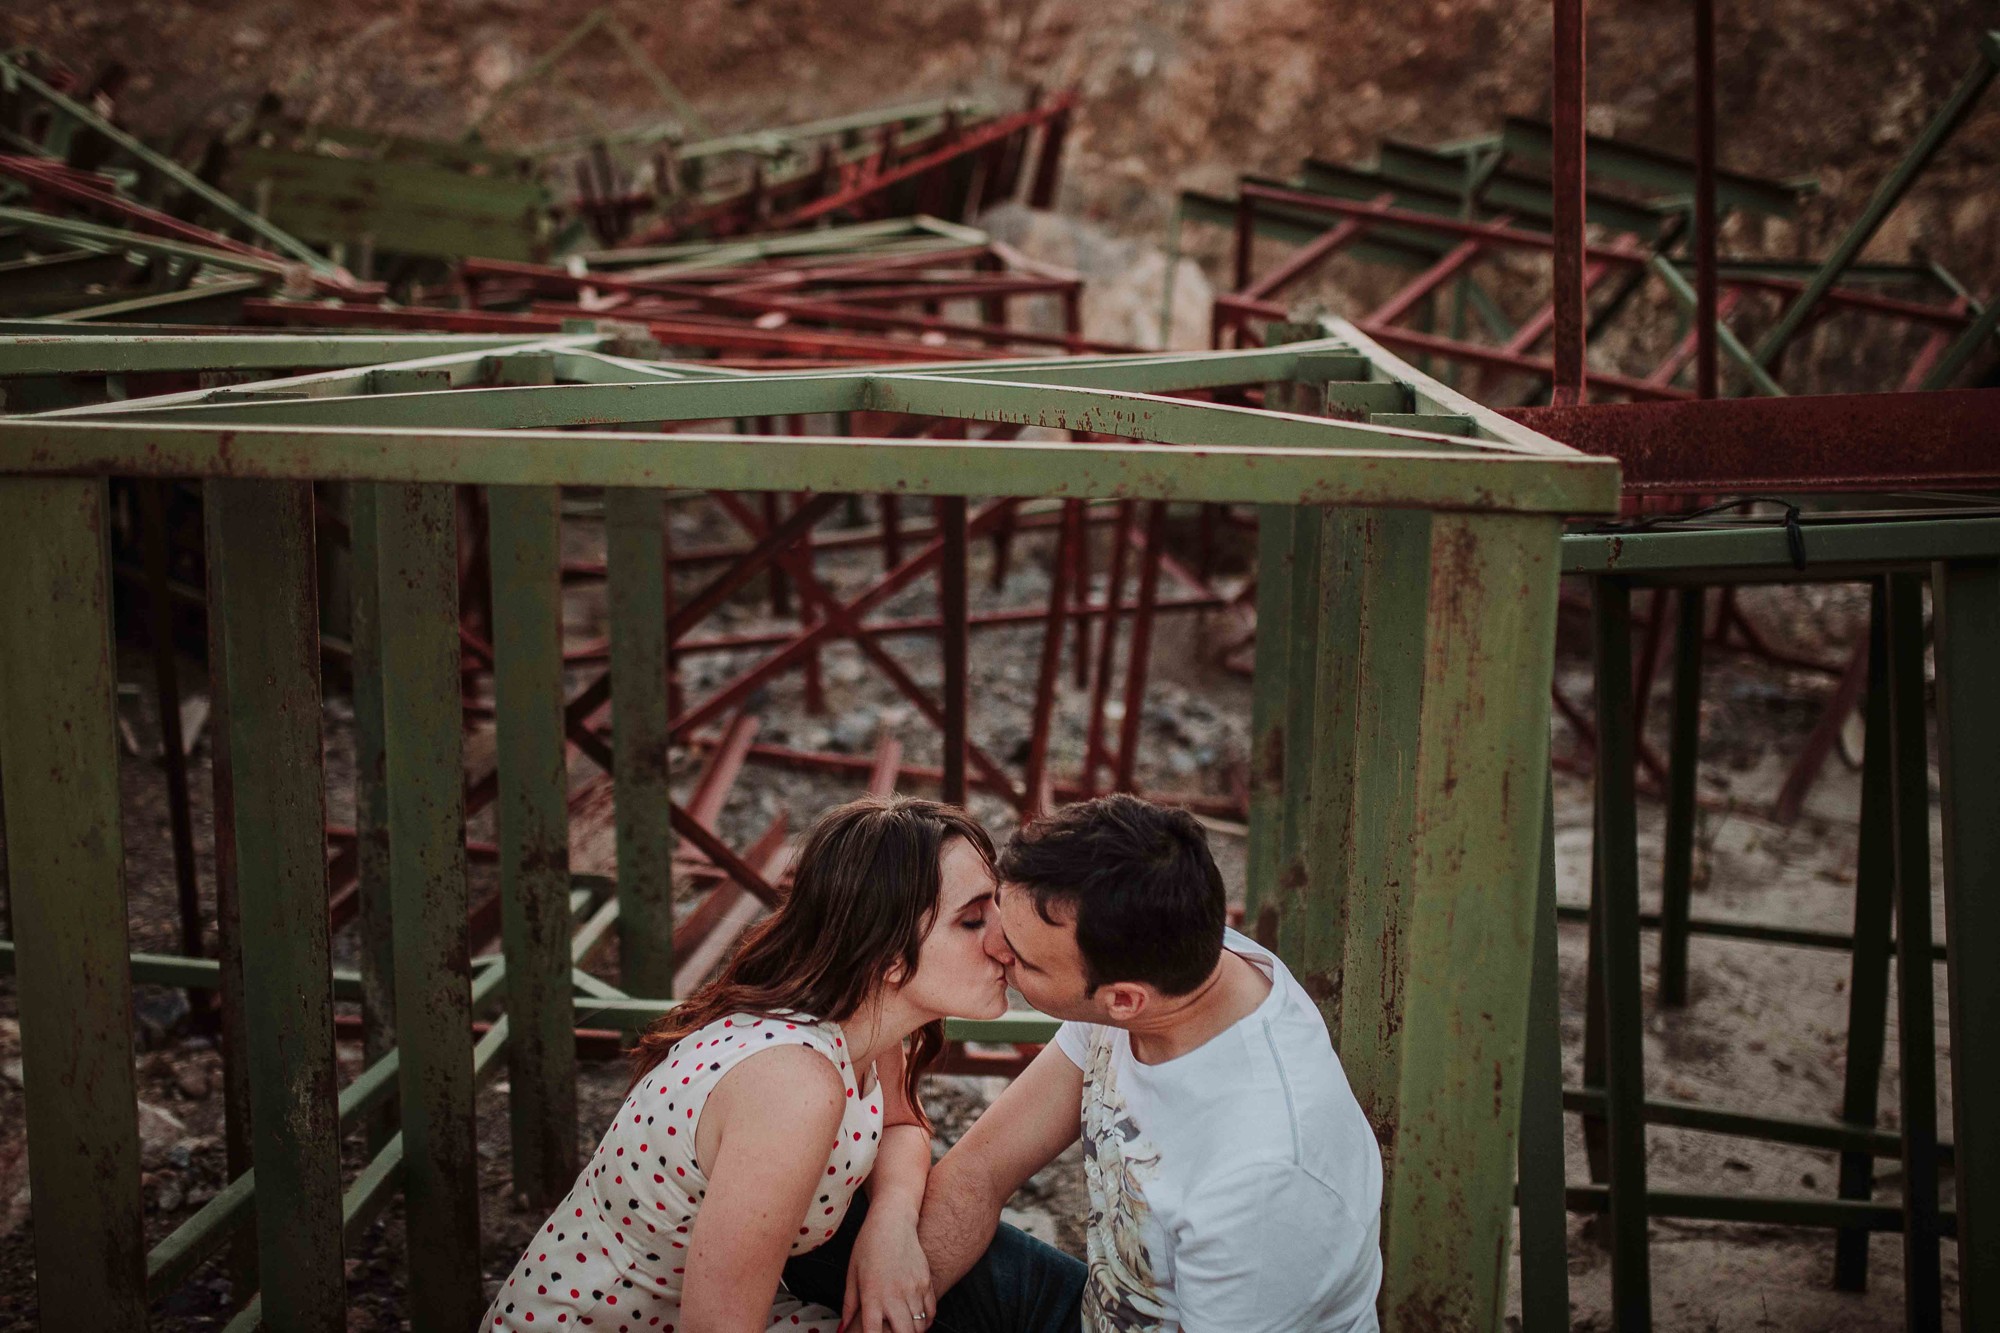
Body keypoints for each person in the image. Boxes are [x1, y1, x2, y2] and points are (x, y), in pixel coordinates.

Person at [788, 793, 1383, 1333]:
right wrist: (890, 1268)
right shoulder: (1168, 959)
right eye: (992, 913)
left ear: (1123, 1000)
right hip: (1086, 1311)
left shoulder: (1264, 1177)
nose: (994, 947)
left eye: (1022, 957)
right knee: (821, 1225)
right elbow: (982, 1171)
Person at [485, 795, 1011, 1333]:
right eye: (972, 920)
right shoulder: (791, 1085)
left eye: (997, 904)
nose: (1005, 938)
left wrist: (891, 1222)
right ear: (888, 958)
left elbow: (900, 1125)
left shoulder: (864, 1021)